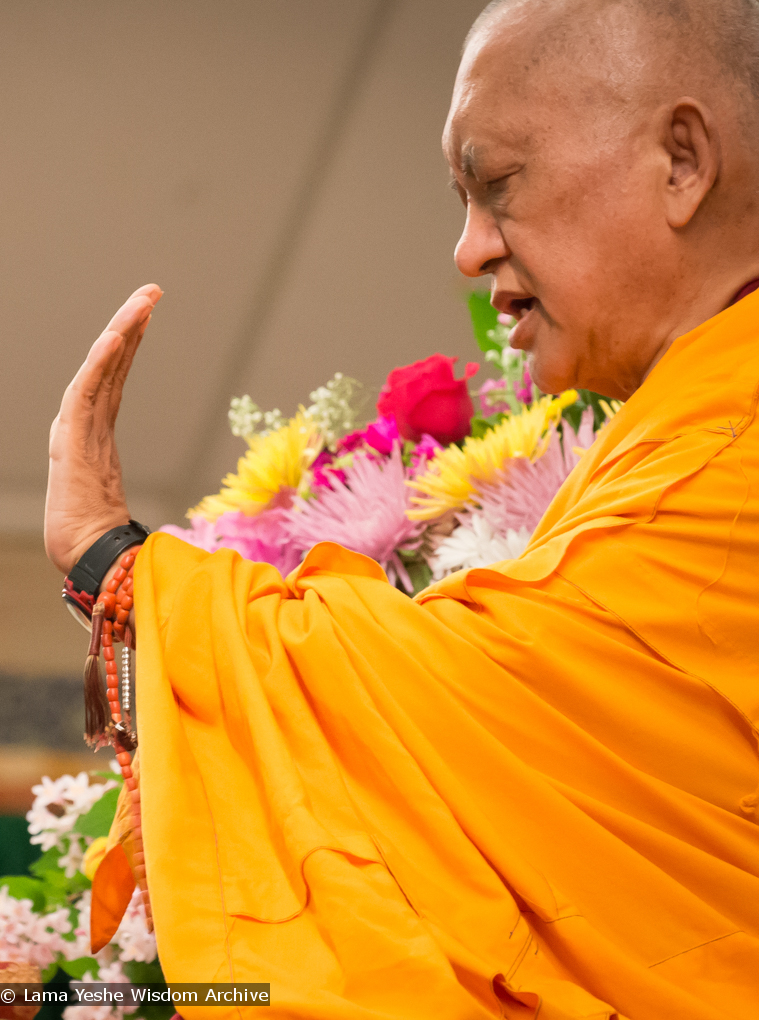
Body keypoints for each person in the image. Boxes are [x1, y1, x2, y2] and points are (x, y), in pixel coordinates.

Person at [45, 0, 759, 1016]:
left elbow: (485, 707)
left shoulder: (722, 467)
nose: (468, 252)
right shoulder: (684, 440)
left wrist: (112, 559)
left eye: (498, 184)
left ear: (683, 160)